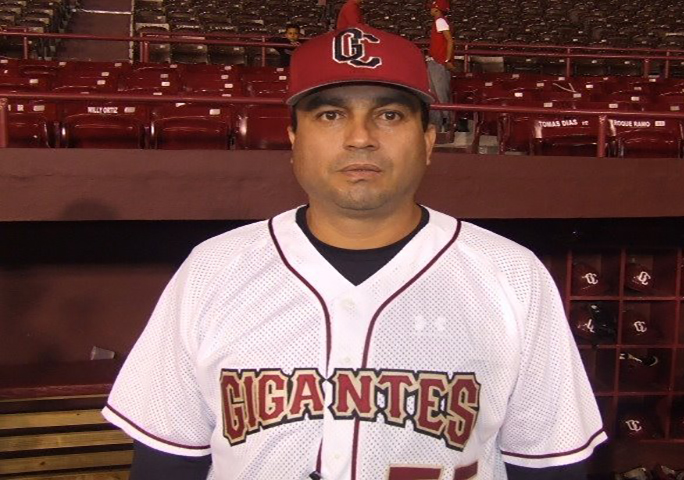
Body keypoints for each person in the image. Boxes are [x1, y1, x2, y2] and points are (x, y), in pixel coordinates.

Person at [102, 25, 606, 480]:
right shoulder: (212, 269)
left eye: (389, 114)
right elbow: (168, 462)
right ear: (294, 139)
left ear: (429, 140)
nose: (360, 138)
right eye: (330, 114)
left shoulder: (512, 275)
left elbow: (548, 466)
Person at [427, 1, 455, 130]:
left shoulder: (440, 21)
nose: (430, 9)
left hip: (439, 62)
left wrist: (447, 59)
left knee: (440, 93)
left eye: (432, 7)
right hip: (436, 60)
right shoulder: (440, 21)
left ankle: (445, 123)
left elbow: (449, 40)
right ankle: (440, 122)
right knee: (435, 93)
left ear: (437, 9)